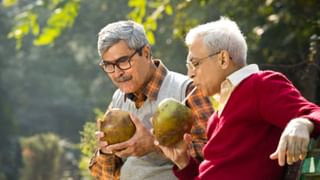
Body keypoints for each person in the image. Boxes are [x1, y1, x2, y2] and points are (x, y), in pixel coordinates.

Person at [155, 17, 320, 180]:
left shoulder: (260, 85)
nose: (190, 74)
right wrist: (183, 162)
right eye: (188, 66)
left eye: (195, 64)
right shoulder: (216, 118)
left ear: (223, 59)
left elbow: (315, 112)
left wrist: (301, 123)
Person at [88, 20, 214, 180]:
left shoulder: (186, 90)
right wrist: (106, 150)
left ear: (146, 53)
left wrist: (154, 145)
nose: (116, 73)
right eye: (108, 65)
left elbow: (216, 154)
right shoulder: (118, 100)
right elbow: (103, 175)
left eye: (123, 62)